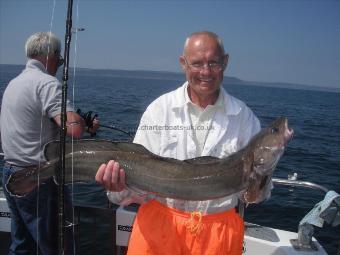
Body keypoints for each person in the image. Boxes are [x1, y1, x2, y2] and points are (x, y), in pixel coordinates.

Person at [96, 31, 263, 255]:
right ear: (183, 63)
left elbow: (254, 196)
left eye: (213, 62)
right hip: (157, 232)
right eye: (197, 63)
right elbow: (133, 189)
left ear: (225, 62)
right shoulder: (159, 111)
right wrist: (117, 188)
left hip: (217, 239)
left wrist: (260, 180)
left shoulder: (244, 118)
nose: (206, 72)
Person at [1, 31, 99, 255]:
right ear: (51, 56)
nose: (60, 65)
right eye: (61, 60)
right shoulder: (47, 84)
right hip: (40, 179)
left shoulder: (13, 85)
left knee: (22, 244)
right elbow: (74, 129)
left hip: (11, 173)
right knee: (56, 247)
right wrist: (85, 124)